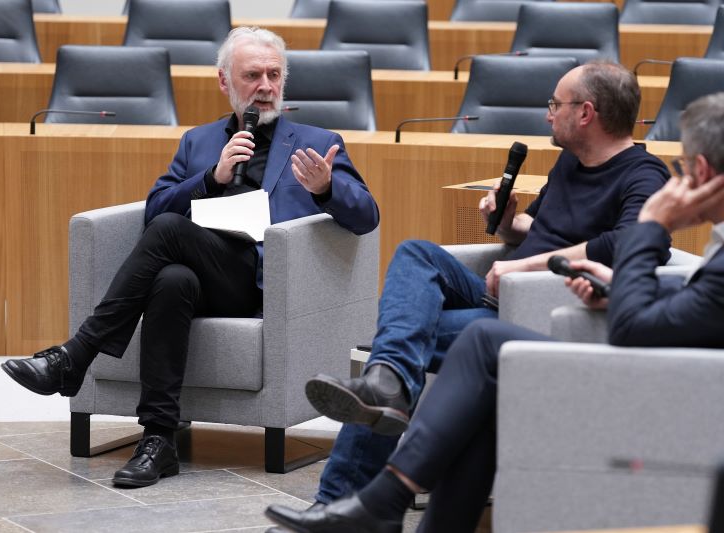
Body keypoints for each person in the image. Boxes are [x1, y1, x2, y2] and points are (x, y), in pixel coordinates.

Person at [265, 91, 724, 533]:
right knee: (415, 255)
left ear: (586, 113)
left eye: (555, 105)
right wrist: (510, 224)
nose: (547, 115)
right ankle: (386, 397)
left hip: (546, 311)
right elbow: (548, 232)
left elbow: (635, 266)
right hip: (509, 291)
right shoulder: (570, 163)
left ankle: (350, 484)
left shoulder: (643, 176)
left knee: (417, 345)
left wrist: (642, 229)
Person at [0, 27, 379, 488]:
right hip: (201, 276)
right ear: (224, 82)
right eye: (252, 75)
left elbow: (367, 215)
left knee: (170, 234)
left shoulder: (315, 141)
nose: (265, 86)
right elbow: (154, 210)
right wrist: (212, 176)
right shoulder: (198, 142)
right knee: (171, 279)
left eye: (274, 75)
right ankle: (158, 441)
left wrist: (325, 188)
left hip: (262, 282)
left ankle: (75, 356)